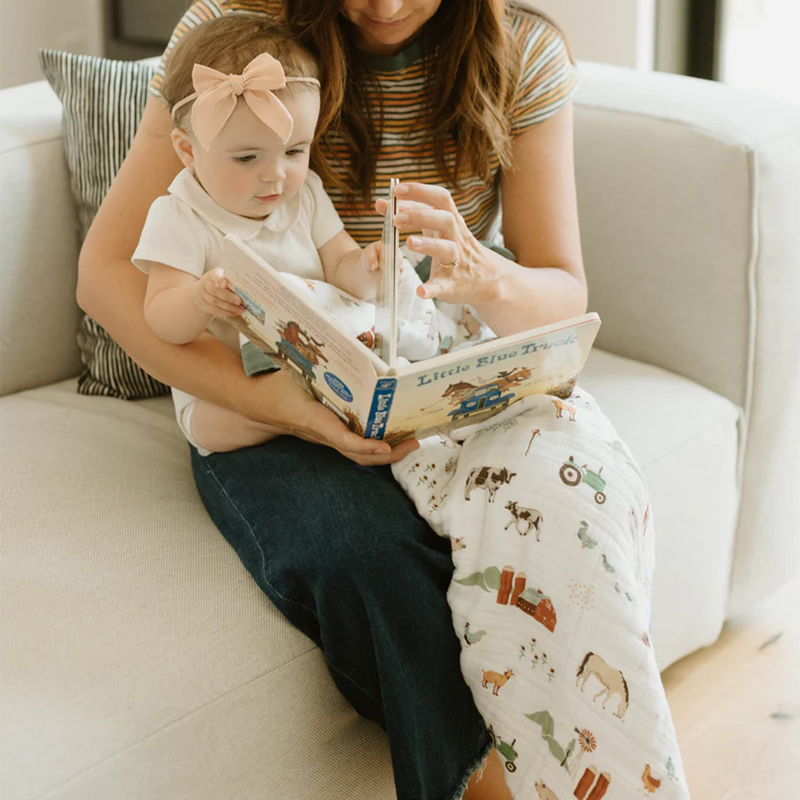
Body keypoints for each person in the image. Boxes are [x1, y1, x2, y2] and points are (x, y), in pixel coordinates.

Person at [77, 2, 686, 798]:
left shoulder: (524, 52)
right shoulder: (229, 37)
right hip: (261, 391)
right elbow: (108, 278)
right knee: (369, 562)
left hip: (437, 363)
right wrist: (283, 408)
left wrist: (482, 274)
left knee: (569, 514)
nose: (387, 6)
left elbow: (562, 295)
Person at [134, 17, 438, 455]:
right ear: (187, 150)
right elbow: (161, 318)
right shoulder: (180, 214)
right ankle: (294, 422)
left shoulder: (305, 195)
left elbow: (341, 267)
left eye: (295, 151)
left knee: (375, 383)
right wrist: (199, 301)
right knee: (215, 425)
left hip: (313, 361)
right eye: (247, 158)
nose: (276, 175)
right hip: (235, 387)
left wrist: (370, 266)